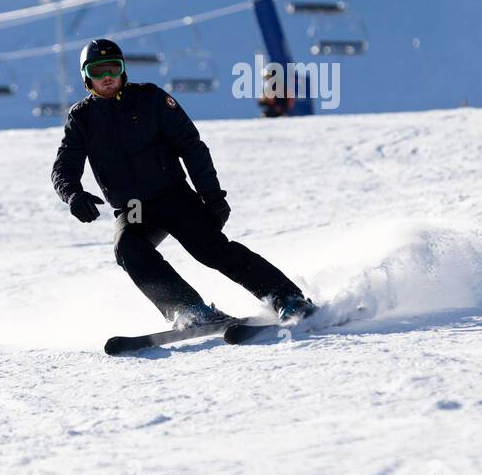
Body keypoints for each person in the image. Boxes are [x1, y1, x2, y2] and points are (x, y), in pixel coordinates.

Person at [52, 39, 315, 328]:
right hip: (136, 208)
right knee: (128, 246)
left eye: (113, 68)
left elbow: (192, 147)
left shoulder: (151, 99)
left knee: (211, 249)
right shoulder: (82, 118)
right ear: (86, 76)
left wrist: (213, 198)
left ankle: (288, 297)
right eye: (98, 71)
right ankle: (188, 310)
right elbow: (64, 165)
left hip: (173, 196)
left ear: (123, 70)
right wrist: (73, 195)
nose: (107, 77)